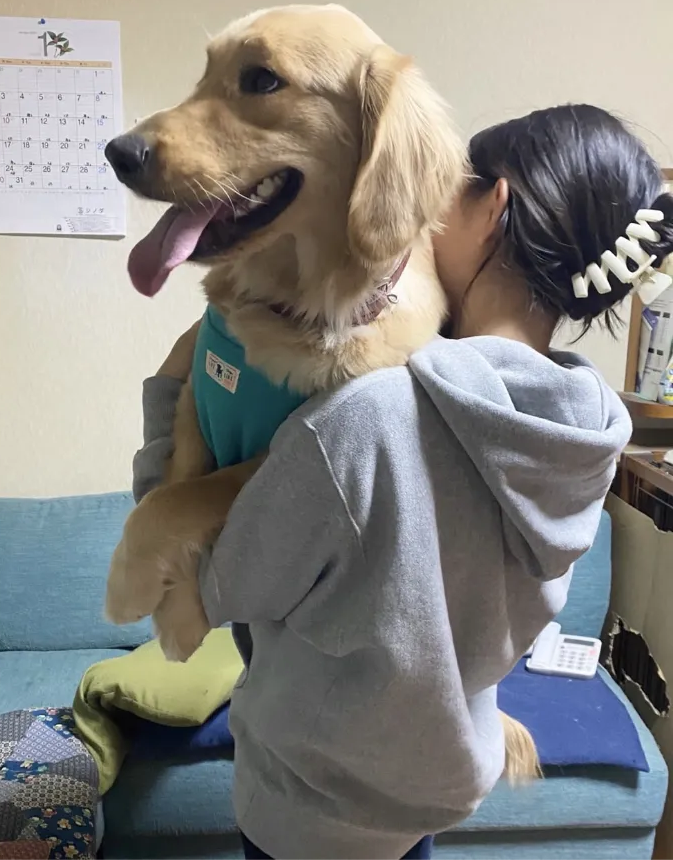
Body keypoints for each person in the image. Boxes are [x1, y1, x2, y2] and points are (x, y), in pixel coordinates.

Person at [131, 104, 672, 860]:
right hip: (427, 790)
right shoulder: (583, 438)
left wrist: (173, 390)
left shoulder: (369, 418)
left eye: (448, 188)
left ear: (495, 205)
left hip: (312, 805)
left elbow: (208, 585)